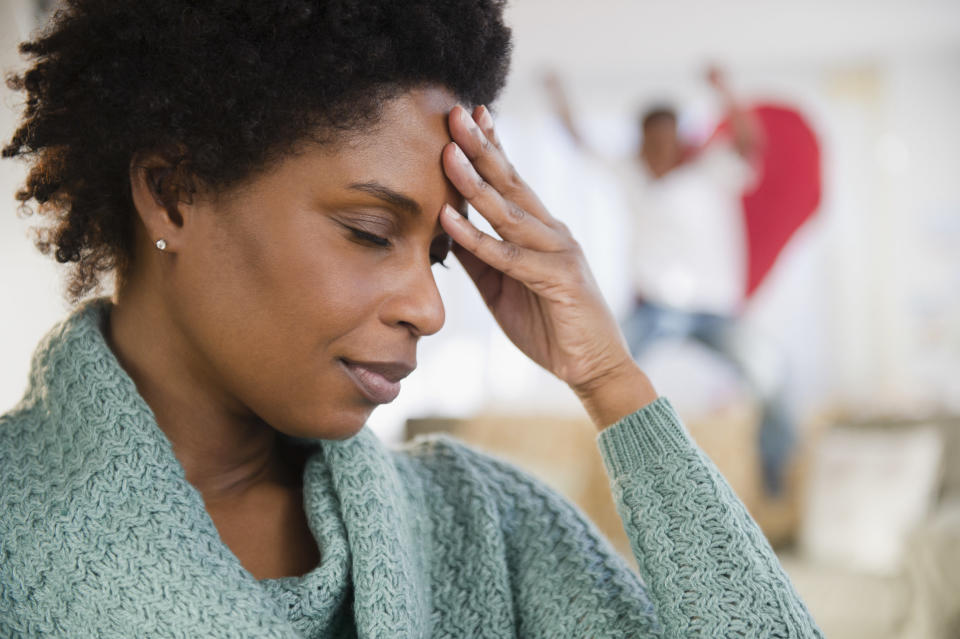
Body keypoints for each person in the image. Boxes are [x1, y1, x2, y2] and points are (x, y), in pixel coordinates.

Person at [0, 1, 822, 636]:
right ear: (173, 192)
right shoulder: (18, 533)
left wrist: (610, 379)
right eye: (367, 232)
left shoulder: (483, 522)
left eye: (436, 256)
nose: (430, 308)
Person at [546, 70, 795, 494]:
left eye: (667, 139)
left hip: (713, 307)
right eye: (651, 140)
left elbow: (752, 143)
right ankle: (603, 470)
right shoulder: (630, 171)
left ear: (679, 138)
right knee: (598, 371)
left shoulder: (711, 168)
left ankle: (774, 472)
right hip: (655, 305)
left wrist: (725, 91)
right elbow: (579, 142)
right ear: (641, 140)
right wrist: (557, 93)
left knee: (768, 371)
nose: (659, 149)